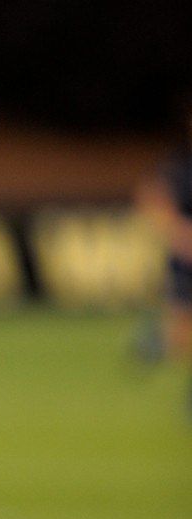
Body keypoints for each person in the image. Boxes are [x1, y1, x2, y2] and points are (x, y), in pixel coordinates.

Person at [133, 109, 192, 406]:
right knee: (180, 337)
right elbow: (152, 199)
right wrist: (180, 235)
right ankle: (155, 339)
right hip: (185, 263)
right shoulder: (178, 167)